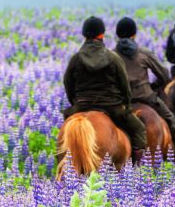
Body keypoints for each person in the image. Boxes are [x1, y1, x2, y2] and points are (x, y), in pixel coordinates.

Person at [62, 16, 148, 163]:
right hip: (111, 106)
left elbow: (67, 83)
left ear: (84, 35)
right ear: (102, 35)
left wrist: (75, 103)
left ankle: (62, 165)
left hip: (82, 105)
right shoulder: (113, 58)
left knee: (65, 129)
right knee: (138, 129)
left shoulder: (76, 59)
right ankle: (136, 169)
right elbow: (124, 86)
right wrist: (126, 105)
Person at [114, 17, 175, 161]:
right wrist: (153, 86)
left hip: (121, 101)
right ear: (134, 34)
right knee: (170, 118)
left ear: (117, 34)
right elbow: (164, 74)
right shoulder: (143, 53)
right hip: (145, 97)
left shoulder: (111, 55)